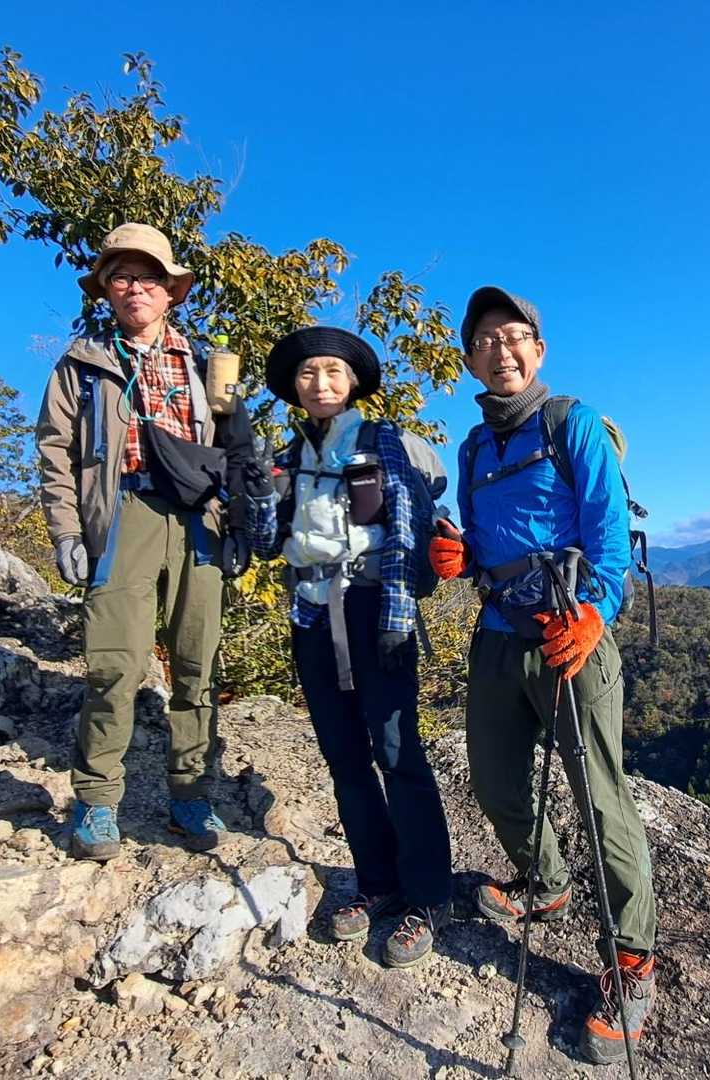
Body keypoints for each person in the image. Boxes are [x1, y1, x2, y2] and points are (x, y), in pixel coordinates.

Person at [428, 287, 659, 1063]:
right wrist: (460, 557)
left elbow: (608, 535)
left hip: (571, 635)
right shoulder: (473, 448)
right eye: (486, 341)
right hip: (499, 634)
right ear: (470, 360)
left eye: (514, 336)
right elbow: (487, 544)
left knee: (601, 800)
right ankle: (545, 881)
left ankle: (633, 961)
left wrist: (595, 613)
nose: (502, 350)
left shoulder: (572, 424)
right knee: (495, 781)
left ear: (538, 349)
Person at [247, 326, 455, 968]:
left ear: (354, 382)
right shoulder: (286, 456)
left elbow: (406, 527)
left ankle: (428, 895)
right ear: (294, 387)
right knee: (343, 755)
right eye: (308, 373)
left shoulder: (381, 442)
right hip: (312, 614)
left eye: (333, 371)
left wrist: (397, 616)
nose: (321, 383)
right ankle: (376, 881)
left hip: (373, 607)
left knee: (396, 751)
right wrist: (253, 483)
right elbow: (264, 543)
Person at [36, 222, 231, 859]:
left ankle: (191, 795)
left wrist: (238, 524)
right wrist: (67, 531)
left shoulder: (207, 366)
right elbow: (55, 452)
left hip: (199, 522)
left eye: (148, 277)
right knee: (113, 664)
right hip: (122, 514)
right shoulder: (82, 364)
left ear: (171, 290)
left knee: (197, 665)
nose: (135, 288)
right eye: (121, 277)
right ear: (106, 290)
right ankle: (96, 802)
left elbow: (234, 451)